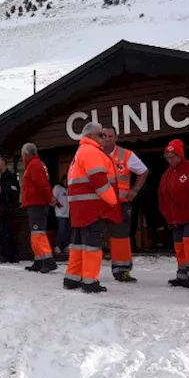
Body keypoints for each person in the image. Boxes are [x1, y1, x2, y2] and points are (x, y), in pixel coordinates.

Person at [63, 122, 120, 294]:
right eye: (101, 135)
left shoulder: (80, 153)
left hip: (80, 209)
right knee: (92, 245)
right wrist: (113, 201)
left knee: (78, 244)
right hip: (92, 208)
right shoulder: (91, 152)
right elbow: (99, 181)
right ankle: (89, 281)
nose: (104, 138)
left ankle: (72, 278)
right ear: (92, 136)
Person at [99, 126, 149, 283]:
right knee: (92, 236)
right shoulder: (95, 153)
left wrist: (135, 190)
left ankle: (122, 271)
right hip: (98, 203)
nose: (107, 138)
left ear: (116, 137)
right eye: (104, 136)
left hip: (120, 204)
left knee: (120, 238)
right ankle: (88, 273)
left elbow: (143, 171)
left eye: (110, 136)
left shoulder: (126, 155)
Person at [159, 139, 189, 288]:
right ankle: (182, 275)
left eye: (172, 156)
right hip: (175, 218)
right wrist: (167, 214)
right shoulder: (167, 174)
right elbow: (162, 196)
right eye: (167, 157)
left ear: (180, 155)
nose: (170, 160)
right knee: (180, 246)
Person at [20, 143, 57, 273]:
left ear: (26, 154)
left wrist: (49, 198)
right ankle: (39, 260)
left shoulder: (34, 165)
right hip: (36, 203)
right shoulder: (36, 164)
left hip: (36, 203)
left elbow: (41, 184)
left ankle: (48, 260)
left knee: (38, 233)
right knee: (36, 233)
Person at [0, 156, 21, 264]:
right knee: (2, 233)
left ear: (2, 163)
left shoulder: (10, 176)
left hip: (8, 210)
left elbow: (15, 191)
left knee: (8, 233)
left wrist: (2, 190)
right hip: (0, 210)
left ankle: (11, 255)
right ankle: (4, 254)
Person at [52, 174, 70, 257]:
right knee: (61, 229)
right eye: (65, 180)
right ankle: (57, 245)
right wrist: (58, 205)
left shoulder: (69, 189)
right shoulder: (57, 188)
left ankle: (66, 245)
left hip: (68, 212)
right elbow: (53, 198)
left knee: (68, 229)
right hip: (60, 213)